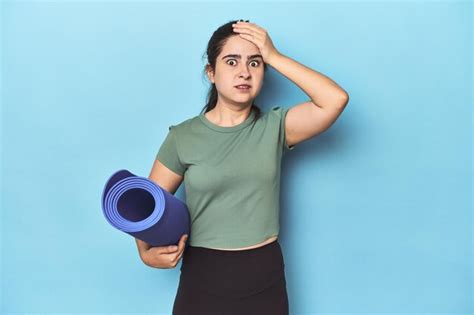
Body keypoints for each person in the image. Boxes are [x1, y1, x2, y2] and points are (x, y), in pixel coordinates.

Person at [135, 19, 349, 314]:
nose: (244, 72)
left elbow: (335, 100)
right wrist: (145, 252)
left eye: (255, 63)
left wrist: (274, 55)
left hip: (264, 275)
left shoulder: (276, 126)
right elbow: (145, 206)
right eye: (231, 62)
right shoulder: (182, 137)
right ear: (211, 72)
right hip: (202, 276)